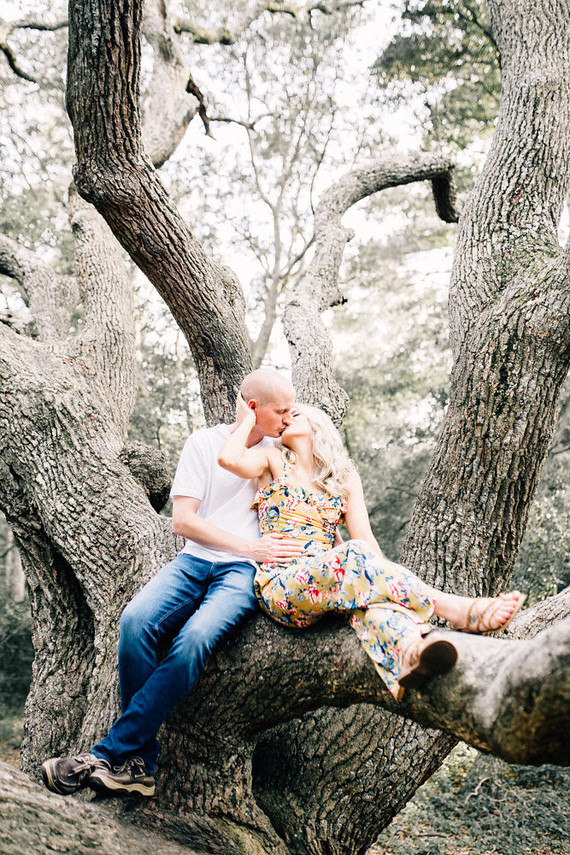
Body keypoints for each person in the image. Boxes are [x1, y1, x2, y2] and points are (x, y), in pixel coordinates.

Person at [41, 368, 303, 798]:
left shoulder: (282, 450)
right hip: (194, 561)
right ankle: (141, 764)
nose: (290, 417)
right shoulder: (203, 443)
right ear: (252, 407)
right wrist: (248, 545)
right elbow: (184, 522)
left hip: (243, 574)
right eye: (282, 410)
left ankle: (108, 755)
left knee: (194, 640)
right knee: (134, 624)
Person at [218, 398, 526, 700]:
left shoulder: (344, 477)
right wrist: (249, 419)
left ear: (317, 426)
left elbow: (366, 542)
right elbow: (228, 459)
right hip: (283, 584)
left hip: (336, 579)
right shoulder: (273, 460)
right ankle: (455, 609)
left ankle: (412, 650)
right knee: (352, 555)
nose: (285, 419)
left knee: (373, 601)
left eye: (294, 414)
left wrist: (388, 589)